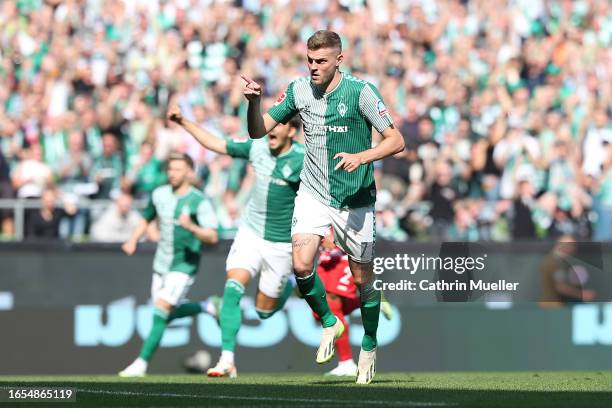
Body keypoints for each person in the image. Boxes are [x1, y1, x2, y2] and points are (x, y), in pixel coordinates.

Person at [241, 30, 405, 384]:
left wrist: (363, 156)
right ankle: (330, 323)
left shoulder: (361, 92)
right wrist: (253, 103)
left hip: (356, 200)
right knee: (301, 264)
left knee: (363, 280)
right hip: (313, 194)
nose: (313, 67)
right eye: (309, 61)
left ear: (338, 60)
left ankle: (370, 344)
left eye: (321, 61)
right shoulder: (299, 90)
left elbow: (397, 140)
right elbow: (257, 131)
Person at [167, 104, 304, 378]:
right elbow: (216, 144)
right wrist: (184, 120)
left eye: (279, 125)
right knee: (232, 287)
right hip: (250, 233)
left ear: (292, 131)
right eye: (271, 124)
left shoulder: (304, 159)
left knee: (264, 313)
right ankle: (227, 359)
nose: (272, 129)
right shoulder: (256, 147)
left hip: (280, 244)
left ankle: (290, 284)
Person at [118, 152, 219, 377]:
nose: (172, 173)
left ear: (189, 172)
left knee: (162, 309)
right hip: (161, 263)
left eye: (177, 169)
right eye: (170, 169)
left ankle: (141, 363)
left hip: (184, 264)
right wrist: (133, 239)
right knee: (165, 314)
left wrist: (192, 227)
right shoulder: (160, 194)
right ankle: (207, 307)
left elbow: (212, 236)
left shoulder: (198, 201)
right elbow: (147, 217)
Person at [315, 229, 393, 377]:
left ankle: (346, 362)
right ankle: (374, 299)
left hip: (344, 253)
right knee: (320, 310)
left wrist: (335, 235)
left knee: (331, 301)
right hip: (326, 256)